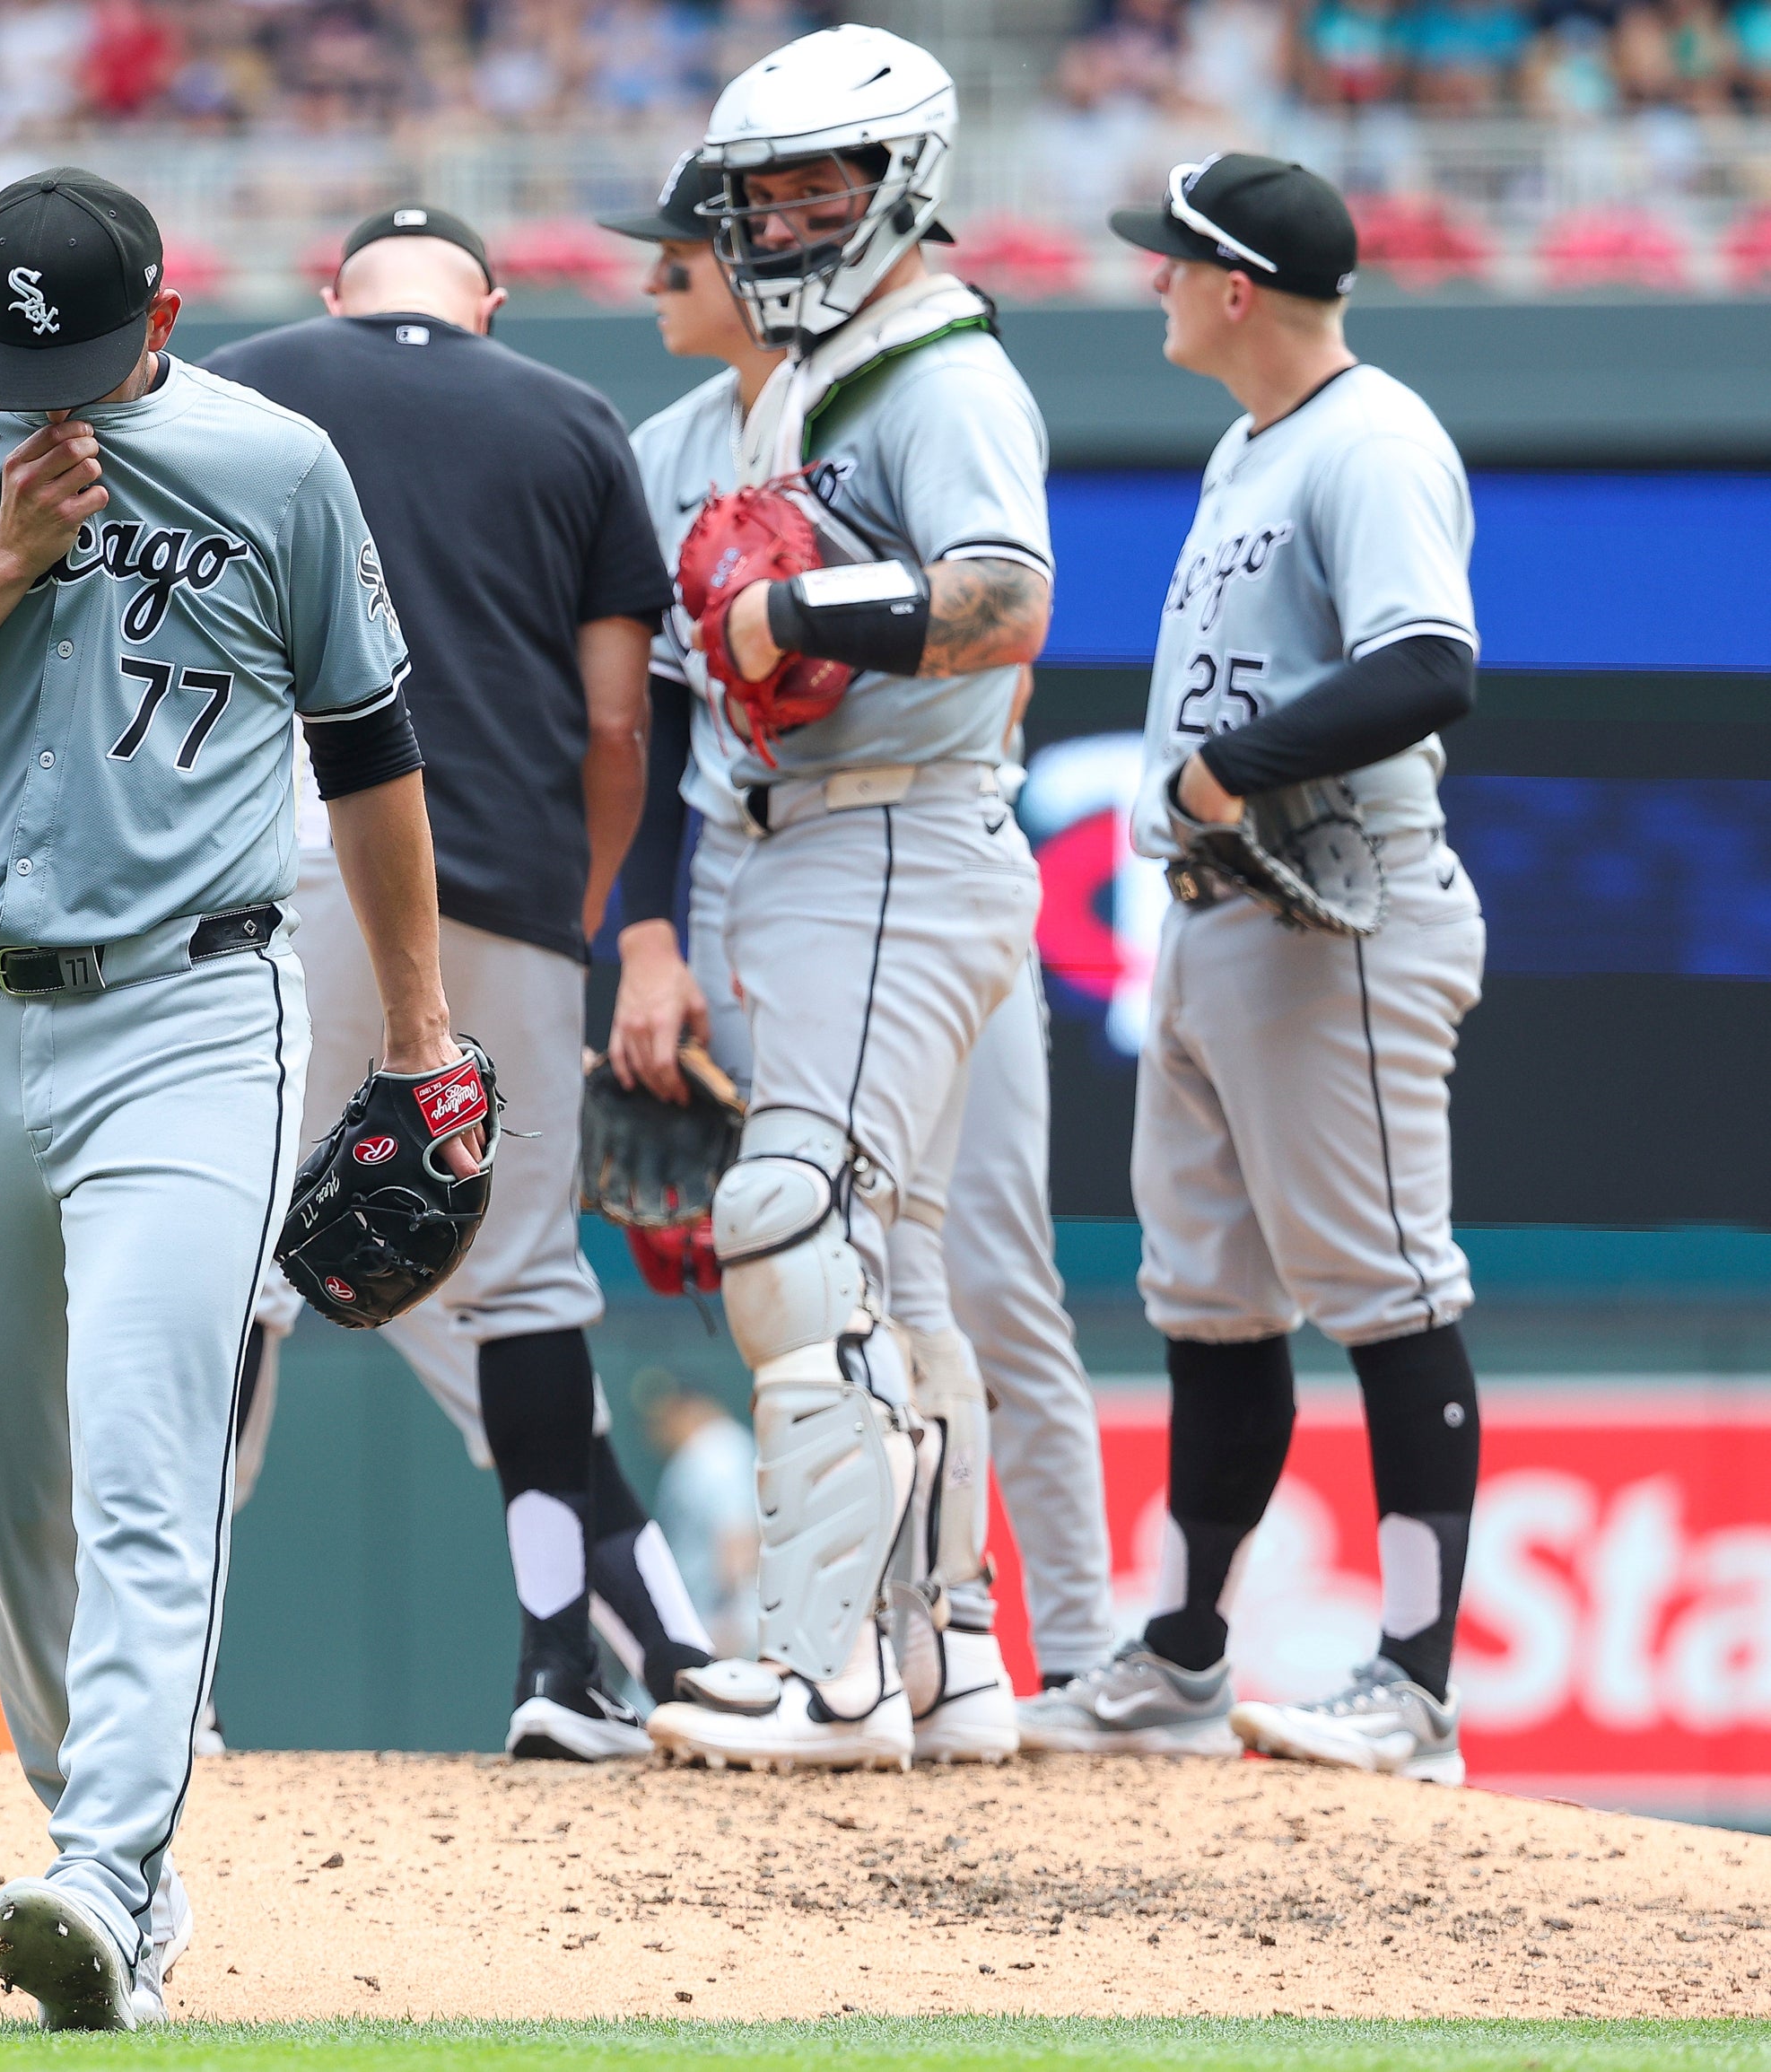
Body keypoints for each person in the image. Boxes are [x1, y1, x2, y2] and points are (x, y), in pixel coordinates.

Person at [0, 168, 466, 2029]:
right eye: (11, 354)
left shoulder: (276, 468)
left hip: (187, 1011)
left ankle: (100, 1864)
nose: (36, 389)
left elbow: (371, 747)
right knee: (20, 1500)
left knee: (152, 1447)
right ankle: (111, 1857)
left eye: (74, 353)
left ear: (160, 325)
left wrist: (419, 1027)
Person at [601, 144, 1121, 1757]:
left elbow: (1008, 602)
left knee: (794, 1215)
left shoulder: (937, 371)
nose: (680, 262)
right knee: (894, 1267)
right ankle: (951, 1649)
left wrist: (796, 619)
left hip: (887, 830)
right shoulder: (771, 403)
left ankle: (824, 1669)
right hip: (833, 836)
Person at [198, 205, 716, 1763]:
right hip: (495, 873)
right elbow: (617, 722)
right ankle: (562, 1667)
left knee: (229, 1273)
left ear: (327, 291)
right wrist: (577, 902)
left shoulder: (234, 389)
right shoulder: (571, 417)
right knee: (526, 1285)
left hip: (270, 869)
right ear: (492, 301)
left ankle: (167, 1690)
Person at [1021, 156, 1483, 1784]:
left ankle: (1413, 1684)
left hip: (1332, 914)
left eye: (1168, 262)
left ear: (1232, 288)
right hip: (1220, 921)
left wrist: (1223, 769)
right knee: (1208, 1298)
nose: (1148, 281)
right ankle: (1182, 1654)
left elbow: (1428, 662)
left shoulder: (1370, 437)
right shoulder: (1247, 444)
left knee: (1385, 1284)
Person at [633, 1369, 760, 1662]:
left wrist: (732, 1621)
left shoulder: (717, 1452)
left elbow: (738, 1540)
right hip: (702, 1621)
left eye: (665, 1416)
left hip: (716, 1625)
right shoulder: (712, 1450)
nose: (657, 1430)